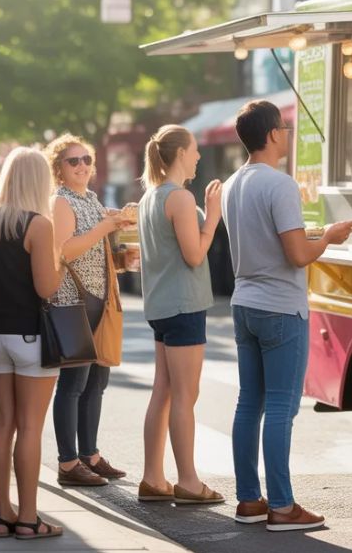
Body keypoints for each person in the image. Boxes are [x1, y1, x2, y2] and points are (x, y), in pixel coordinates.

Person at [222, 101, 352, 531]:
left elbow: (270, 242)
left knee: (249, 404)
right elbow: (297, 255)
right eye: (285, 128)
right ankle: (282, 506)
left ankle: (248, 500)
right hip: (281, 306)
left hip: (244, 303)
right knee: (281, 407)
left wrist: (311, 238)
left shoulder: (232, 185)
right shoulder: (280, 185)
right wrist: (329, 238)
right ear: (274, 134)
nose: (288, 135)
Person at [0, 147, 64, 540]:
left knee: (2, 422)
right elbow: (47, 287)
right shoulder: (39, 224)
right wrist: (57, 257)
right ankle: (28, 517)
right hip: (32, 336)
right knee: (30, 427)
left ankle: (2, 514)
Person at [137, 125, 224, 505]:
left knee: (165, 391)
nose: (199, 157)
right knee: (186, 395)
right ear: (179, 155)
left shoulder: (149, 197)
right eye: (194, 150)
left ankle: (153, 478)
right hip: (184, 305)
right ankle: (188, 480)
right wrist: (214, 218)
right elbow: (195, 254)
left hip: (160, 306)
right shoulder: (181, 199)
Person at [44, 135, 130, 488]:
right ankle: (68, 462)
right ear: (59, 170)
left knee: (98, 380)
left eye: (86, 160)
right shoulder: (60, 201)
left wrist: (123, 258)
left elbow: (97, 252)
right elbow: (63, 252)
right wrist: (104, 228)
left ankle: (89, 455)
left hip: (100, 298)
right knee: (74, 382)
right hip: (72, 300)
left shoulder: (92, 199)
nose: (82, 166)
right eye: (73, 161)